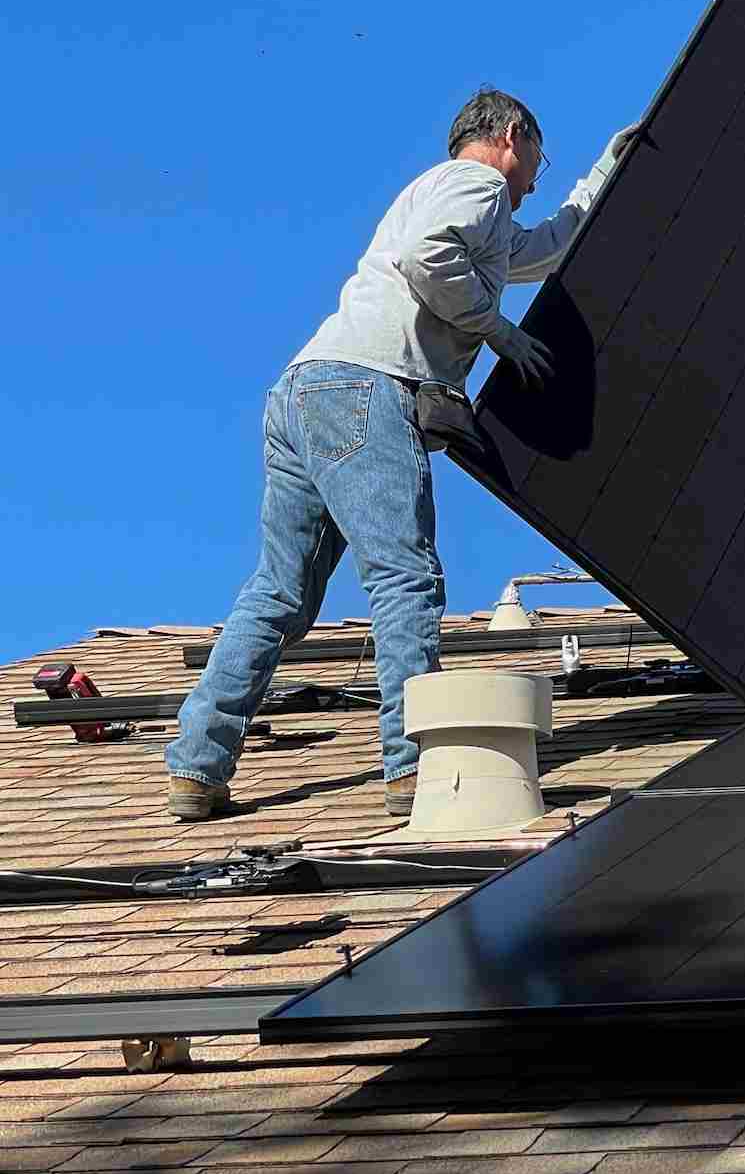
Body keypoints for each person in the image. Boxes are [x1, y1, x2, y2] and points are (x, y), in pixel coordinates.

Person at [164, 89, 638, 822]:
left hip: (304, 391)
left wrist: (606, 171)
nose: (540, 175)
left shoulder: (446, 196)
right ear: (513, 136)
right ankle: (413, 769)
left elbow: (544, 249)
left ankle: (197, 766)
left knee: (279, 594)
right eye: (541, 156)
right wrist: (498, 332)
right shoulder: (476, 185)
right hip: (366, 388)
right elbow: (429, 259)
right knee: (405, 577)